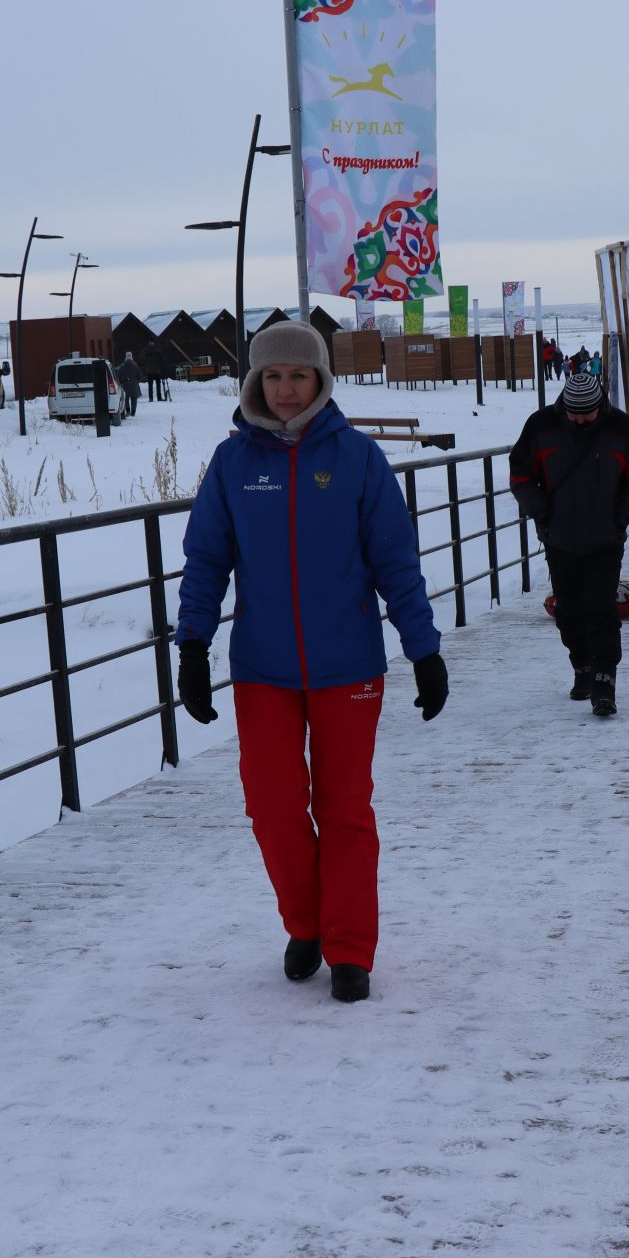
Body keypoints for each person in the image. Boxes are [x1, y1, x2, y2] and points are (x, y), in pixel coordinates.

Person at [174, 321, 447, 1004]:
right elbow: (206, 562)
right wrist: (190, 645)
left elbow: (396, 563)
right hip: (262, 668)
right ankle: (307, 925)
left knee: (345, 809)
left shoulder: (356, 459)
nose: (286, 389)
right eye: (273, 376)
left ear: (321, 381)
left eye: (298, 376)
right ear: (255, 385)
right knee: (271, 807)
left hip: (348, 666)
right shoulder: (233, 464)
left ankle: (351, 947)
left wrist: (425, 648)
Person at [508, 371, 629, 717]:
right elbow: (520, 476)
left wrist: (622, 517)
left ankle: (605, 682)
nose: (579, 419)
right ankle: (582, 666)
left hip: (605, 538)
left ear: (598, 407)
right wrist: (541, 514)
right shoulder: (540, 426)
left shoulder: (621, 429)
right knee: (568, 610)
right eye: (574, 413)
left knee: (602, 609)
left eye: (586, 414)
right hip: (559, 538)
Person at [115, 350, 143, 418]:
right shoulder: (135, 366)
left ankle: (127, 411)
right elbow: (140, 376)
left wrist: (122, 381)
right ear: (131, 357)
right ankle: (133, 412)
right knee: (134, 399)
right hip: (134, 385)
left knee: (126, 399)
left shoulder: (122, 367)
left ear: (125, 357)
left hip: (125, 386)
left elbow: (118, 377)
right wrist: (136, 381)